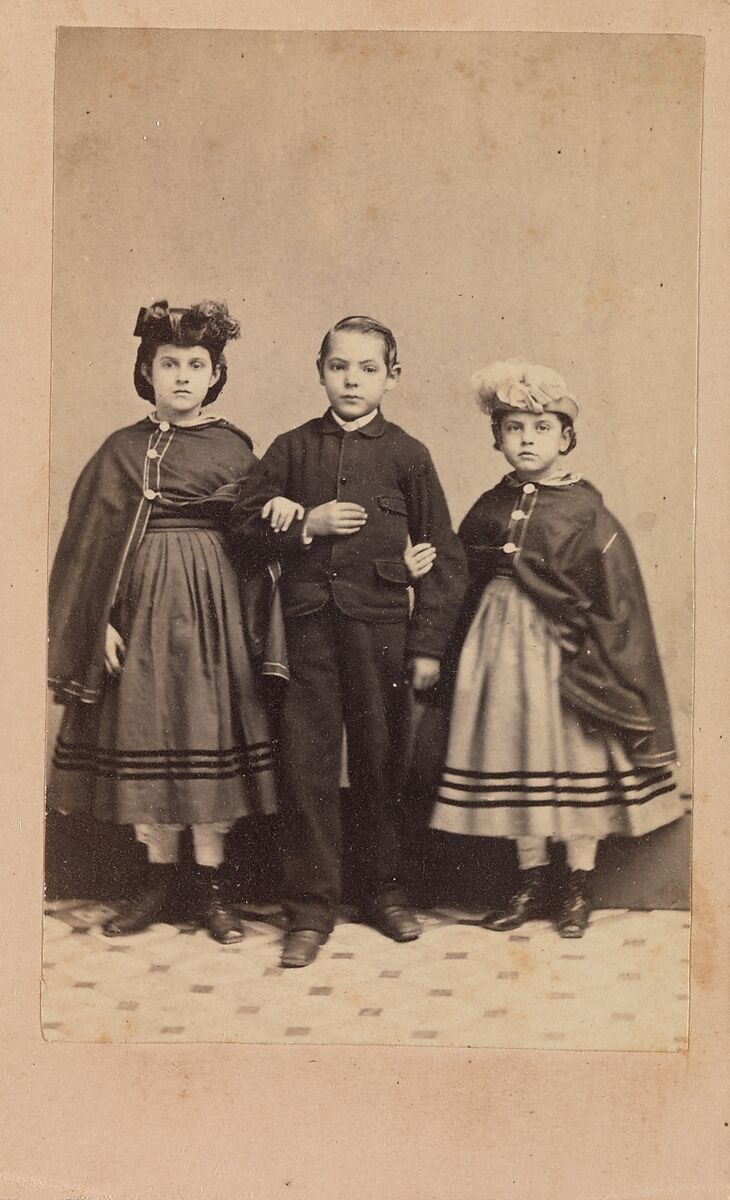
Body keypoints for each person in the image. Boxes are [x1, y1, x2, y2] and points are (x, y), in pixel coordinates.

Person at [48, 300, 299, 943]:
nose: (183, 376)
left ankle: (212, 887)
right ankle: (157, 879)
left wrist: (277, 512)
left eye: (197, 364)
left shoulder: (235, 449)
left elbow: (255, 536)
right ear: (147, 370)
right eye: (169, 363)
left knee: (206, 732)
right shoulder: (119, 450)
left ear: (215, 374)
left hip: (213, 613)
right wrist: (96, 621)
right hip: (139, 615)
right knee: (148, 730)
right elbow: (88, 547)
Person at [231, 315, 467, 966]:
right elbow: (242, 530)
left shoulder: (408, 455)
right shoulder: (290, 448)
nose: (352, 380)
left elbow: (443, 555)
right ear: (320, 371)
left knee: (382, 761)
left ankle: (385, 892)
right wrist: (305, 522)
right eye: (340, 366)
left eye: (368, 368)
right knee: (305, 768)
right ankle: (309, 910)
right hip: (306, 630)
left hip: (382, 633)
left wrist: (425, 646)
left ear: (392, 376)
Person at [421, 359, 685, 938]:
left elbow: (618, 597)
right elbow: (456, 575)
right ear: (498, 439)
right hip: (496, 652)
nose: (528, 440)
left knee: (570, 763)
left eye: (542, 428)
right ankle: (530, 880)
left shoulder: (587, 510)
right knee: (516, 759)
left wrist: (591, 645)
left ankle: (575, 887)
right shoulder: (489, 506)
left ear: (566, 437)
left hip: (565, 658)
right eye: (515, 428)